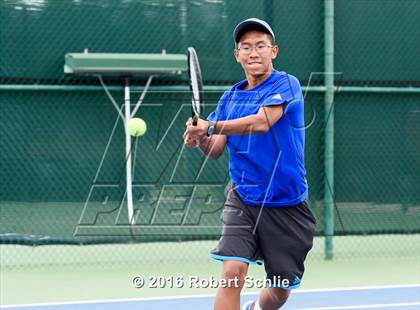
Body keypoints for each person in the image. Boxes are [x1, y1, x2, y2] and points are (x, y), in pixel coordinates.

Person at [183, 18, 316, 310]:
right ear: (237, 55)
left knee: (280, 290)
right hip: (244, 197)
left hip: (287, 203)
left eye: (260, 46)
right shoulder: (229, 98)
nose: (253, 52)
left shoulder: (287, 84)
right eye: (246, 47)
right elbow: (216, 149)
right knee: (232, 273)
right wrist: (201, 137)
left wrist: (210, 126)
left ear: (274, 52)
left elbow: (262, 122)